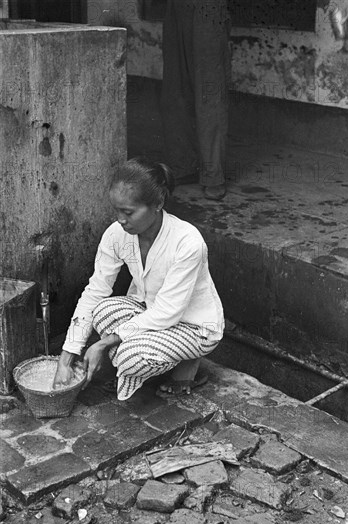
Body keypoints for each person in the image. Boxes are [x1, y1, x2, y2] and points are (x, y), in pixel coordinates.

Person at [53, 157, 224, 398]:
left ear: (158, 202)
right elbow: (96, 290)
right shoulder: (117, 234)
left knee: (133, 356)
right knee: (102, 310)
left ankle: (184, 363)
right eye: (116, 210)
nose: (121, 219)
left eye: (129, 212)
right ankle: (141, 362)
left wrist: (103, 343)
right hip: (149, 311)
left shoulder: (188, 242)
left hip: (194, 326)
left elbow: (168, 312)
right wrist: (66, 358)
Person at [161, 0, 231, 200]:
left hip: (209, 7)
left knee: (210, 90)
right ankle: (185, 166)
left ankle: (213, 175)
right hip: (175, 6)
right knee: (175, 88)